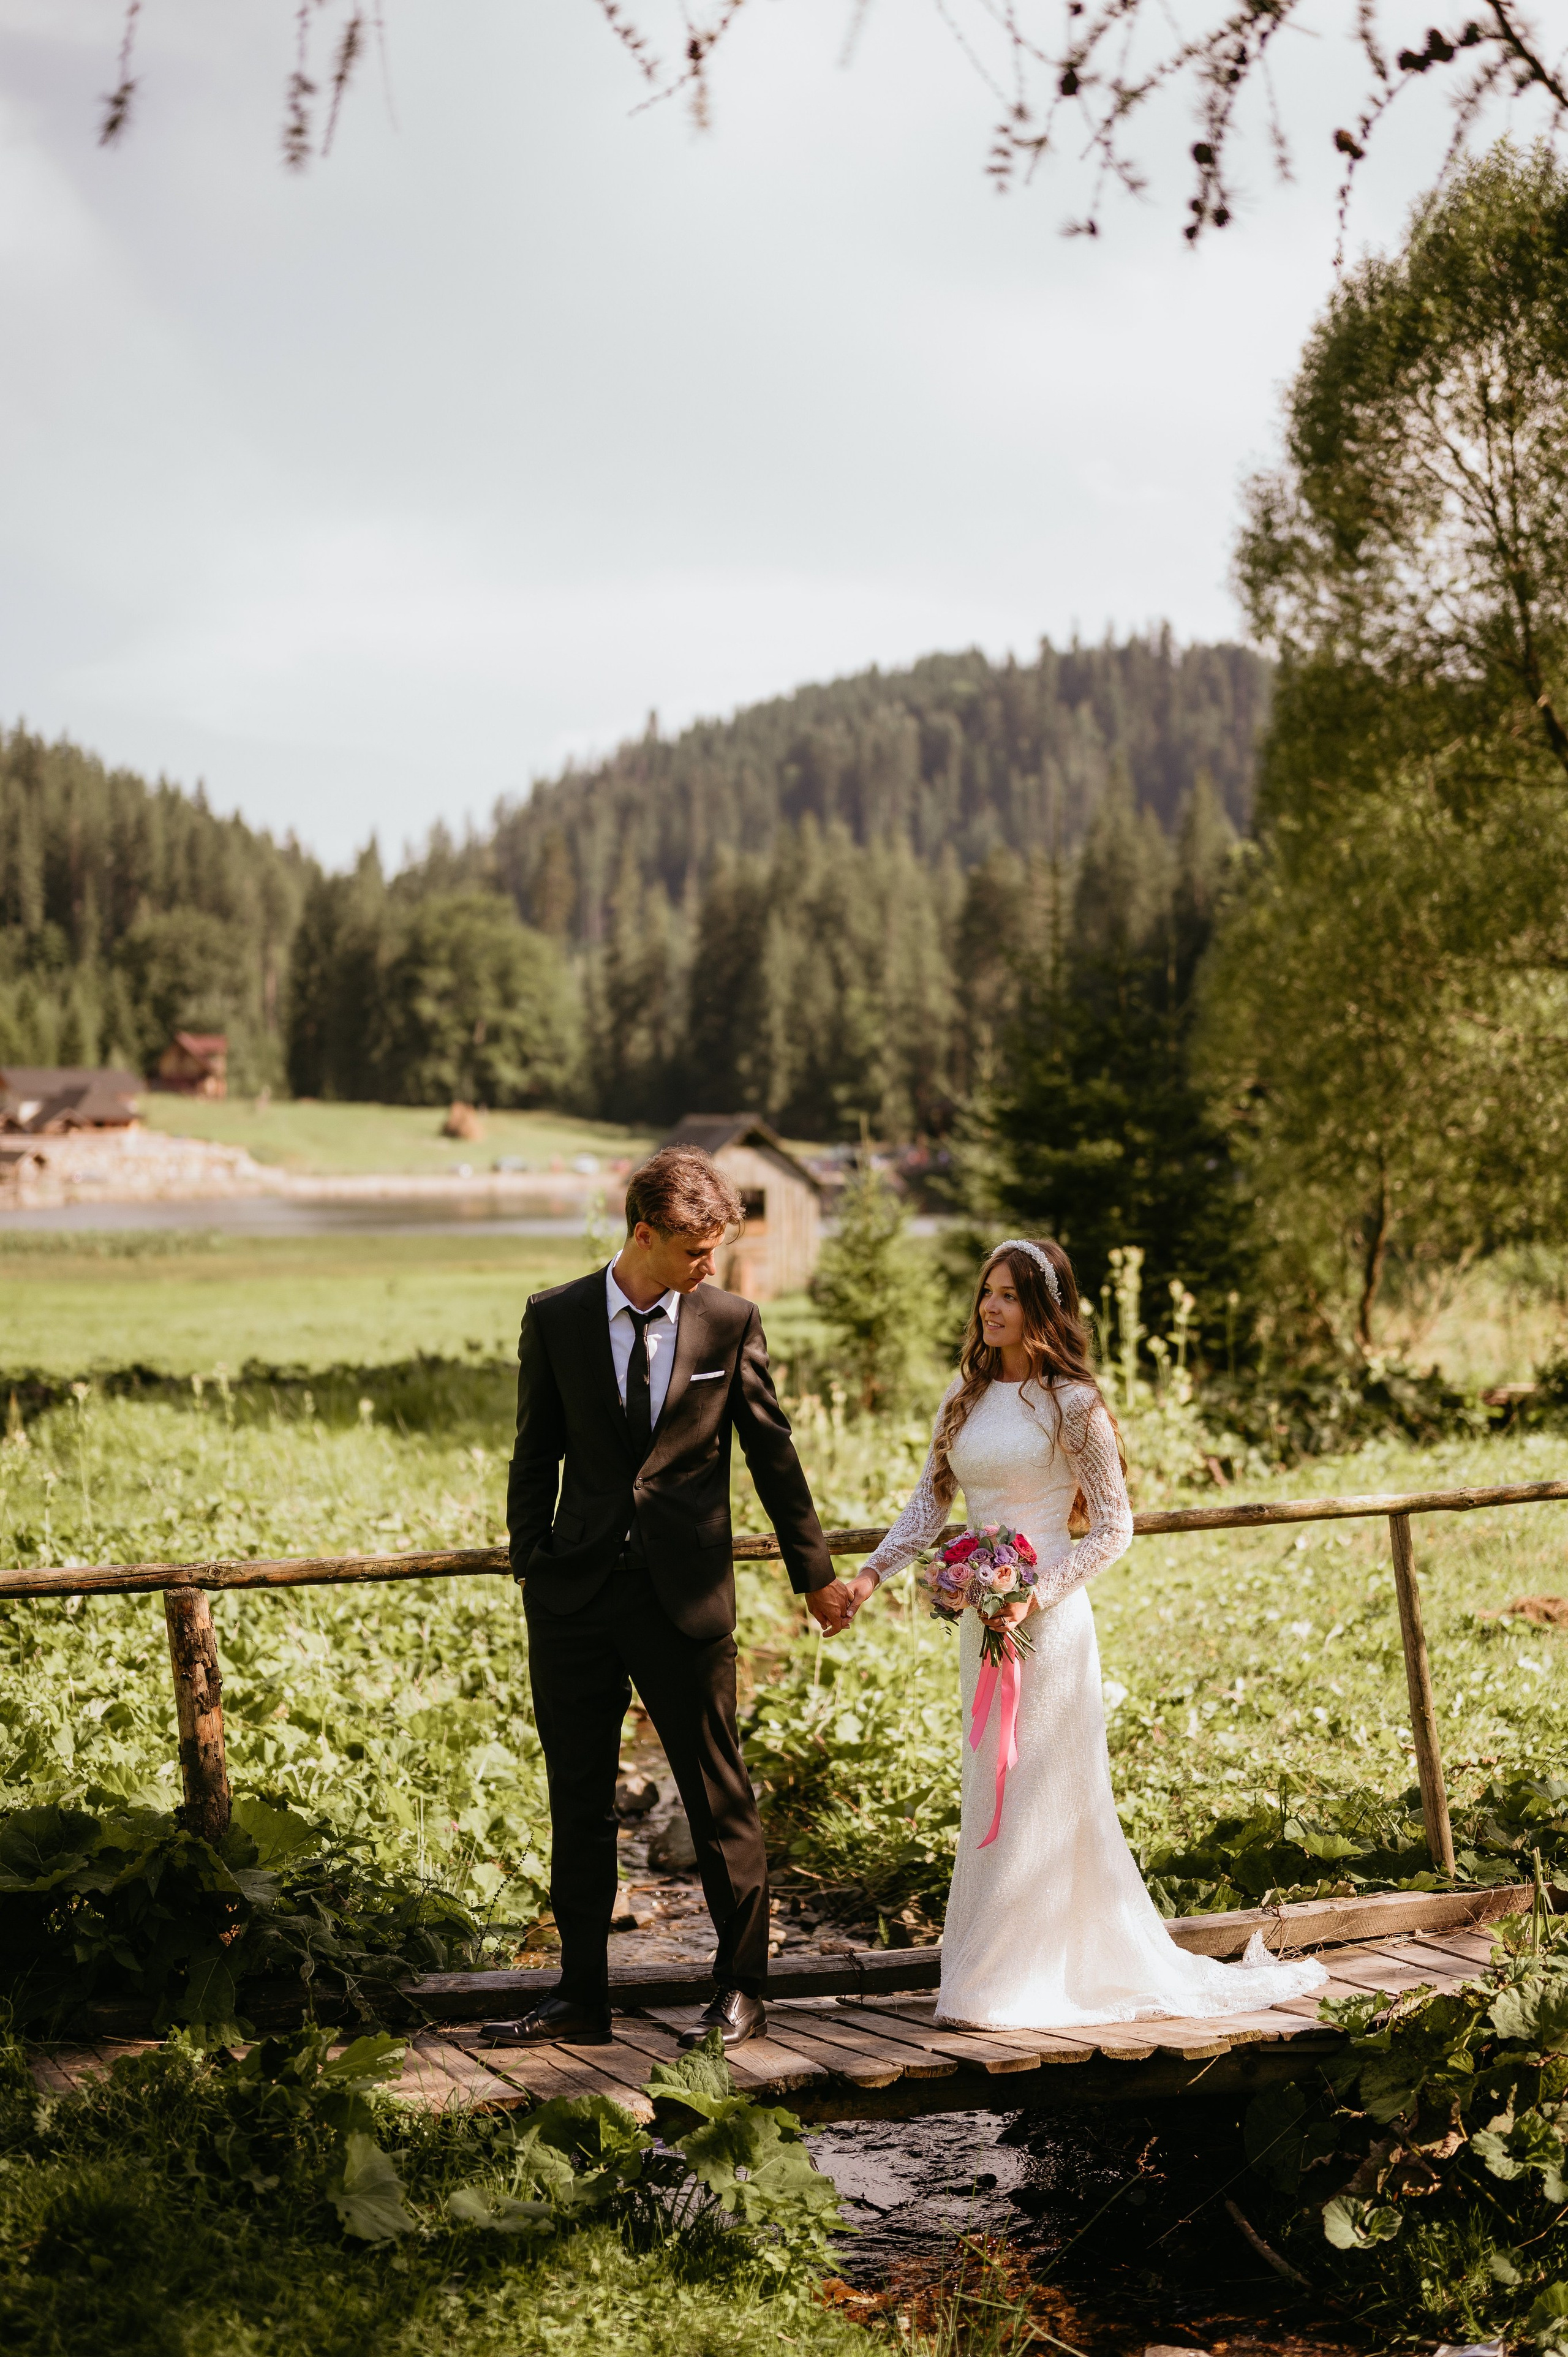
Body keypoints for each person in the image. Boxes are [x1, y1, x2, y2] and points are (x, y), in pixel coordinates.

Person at [839, 1237, 1326, 2032]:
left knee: (1041, 1794)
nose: (990, 1308)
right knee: (991, 1792)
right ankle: (986, 1978)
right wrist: (871, 1577)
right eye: (985, 1293)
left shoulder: (1074, 1402)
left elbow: (1113, 1528)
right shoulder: (963, 1397)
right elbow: (930, 1507)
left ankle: (1017, 1986)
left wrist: (1036, 1592)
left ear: (1044, 1309)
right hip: (982, 1623)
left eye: (1008, 1295)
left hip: (1049, 1623)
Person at [484, 1145, 856, 2054]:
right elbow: (536, 1453)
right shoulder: (557, 1317)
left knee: (716, 1792)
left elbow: (774, 1453)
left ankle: (743, 1990)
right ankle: (580, 1994)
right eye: (695, 1249)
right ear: (642, 1233)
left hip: (685, 1598)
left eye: (715, 1250)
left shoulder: (729, 1322)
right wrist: (533, 1561)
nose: (710, 1266)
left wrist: (815, 1577)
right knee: (577, 1798)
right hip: (574, 1601)